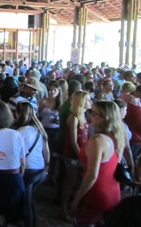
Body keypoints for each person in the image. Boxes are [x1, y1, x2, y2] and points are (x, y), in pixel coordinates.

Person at [71, 101, 125, 226]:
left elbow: (92, 175)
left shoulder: (97, 140)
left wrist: (77, 198)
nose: (90, 116)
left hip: (97, 194)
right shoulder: (116, 136)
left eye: (94, 113)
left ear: (104, 117)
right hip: (112, 192)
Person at [16, 102, 50, 227]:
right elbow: (46, 150)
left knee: (26, 202)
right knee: (29, 200)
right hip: (40, 169)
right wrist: (47, 168)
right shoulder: (39, 129)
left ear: (20, 114)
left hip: (28, 171)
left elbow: (18, 154)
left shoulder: (21, 131)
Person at [60, 90, 91, 220]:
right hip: (72, 155)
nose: (90, 102)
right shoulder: (74, 117)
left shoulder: (83, 116)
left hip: (81, 153)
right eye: (88, 100)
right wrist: (81, 156)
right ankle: (63, 209)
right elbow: (73, 140)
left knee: (77, 182)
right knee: (70, 182)